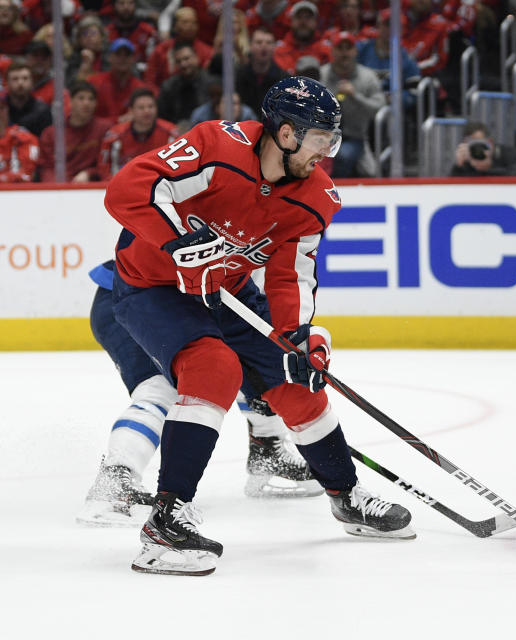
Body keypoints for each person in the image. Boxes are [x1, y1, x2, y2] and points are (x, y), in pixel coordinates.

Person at [103, 76, 415, 576]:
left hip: (229, 291)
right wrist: (178, 240)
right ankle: (164, 524)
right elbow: (126, 191)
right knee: (214, 368)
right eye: (319, 139)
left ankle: (345, 493)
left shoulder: (316, 197)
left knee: (296, 380)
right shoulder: (216, 146)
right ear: (286, 133)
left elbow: (291, 273)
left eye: (331, 141)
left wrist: (298, 334)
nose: (326, 153)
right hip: (154, 285)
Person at [77, 259, 324, 527]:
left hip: (174, 303)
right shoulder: (254, 234)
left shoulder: (271, 241)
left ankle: (268, 451)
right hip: (134, 300)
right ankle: (114, 482)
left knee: (238, 366)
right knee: (161, 391)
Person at [318, 30, 384, 177]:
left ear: (355, 51)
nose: (344, 53)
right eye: (340, 48)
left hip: (356, 136)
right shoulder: (321, 75)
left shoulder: (368, 77)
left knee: (346, 157)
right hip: (321, 138)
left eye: (348, 48)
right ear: (332, 51)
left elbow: (379, 108)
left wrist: (356, 96)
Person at [38, 81, 113, 182]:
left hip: (93, 187)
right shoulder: (51, 134)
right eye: (81, 98)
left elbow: (108, 163)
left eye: (91, 99)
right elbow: (46, 167)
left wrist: (89, 173)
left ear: (96, 103)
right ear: (71, 101)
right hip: (60, 188)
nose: (86, 103)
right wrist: (56, 186)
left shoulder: (105, 129)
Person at [98, 88, 179, 179]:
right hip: (123, 184)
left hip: (160, 185)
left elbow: (178, 166)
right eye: (141, 107)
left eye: (151, 106)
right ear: (131, 111)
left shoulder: (170, 132)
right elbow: (104, 168)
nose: (147, 111)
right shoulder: (115, 134)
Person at [87, 38, 152, 121]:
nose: (122, 58)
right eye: (118, 54)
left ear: (133, 59)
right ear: (110, 57)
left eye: (127, 55)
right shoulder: (94, 82)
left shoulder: (140, 88)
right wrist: (117, 120)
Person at [156, 43, 214, 130]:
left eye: (186, 59)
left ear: (196, 58)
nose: (183, 64)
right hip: (177, 135)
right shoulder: (169, 87)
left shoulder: (212, 84)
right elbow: (162, 118)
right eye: (179, 61)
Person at [236, 26, 288, 118]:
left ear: (274, 47)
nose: (264, 46)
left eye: (268, 42)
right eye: (259, 42)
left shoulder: (284, 80)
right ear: (250, 46)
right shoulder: (238, 77)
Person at [451, 120, 516, 177]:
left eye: (478, 143)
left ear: (490, 142)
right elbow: (453, 190)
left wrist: (490, 168)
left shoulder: (508, 153)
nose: (476, 149)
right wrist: (459, 167)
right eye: (471, 145)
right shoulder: (466, 160)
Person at [273, 1, 330, 75]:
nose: (303, 22)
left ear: (316, 22)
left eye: (308, 17)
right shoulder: (279, 50)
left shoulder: (325, 49)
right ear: (291, 21)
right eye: (299, 17)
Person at [4, 61, 51, 137]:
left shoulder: (42, 111)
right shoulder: (2, 110)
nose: (20, 83)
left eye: (25, 78)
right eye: (15, 79)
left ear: (32, 82)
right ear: (7, 83)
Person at [0, 93, 39, 183]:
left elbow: (26, 175)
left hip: (15, 194)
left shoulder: (22, 137)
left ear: (7, 111)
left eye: (1, 108)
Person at [187, 79, 258, 128]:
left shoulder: (249, 118)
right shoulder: (201, 119)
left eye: (235, 103)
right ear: (217, 107)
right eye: (227, 103)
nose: (231, 107)